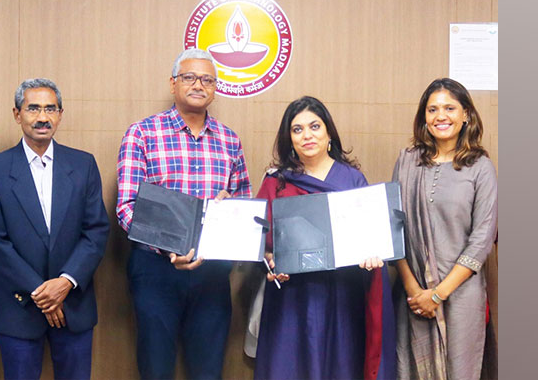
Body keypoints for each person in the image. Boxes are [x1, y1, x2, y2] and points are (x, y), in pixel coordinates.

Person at [116, 48, 251, 379]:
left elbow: (244, 204)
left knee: (208, 370)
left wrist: (230, 208)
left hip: (211, 272)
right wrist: (169, 247)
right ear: (173, 83)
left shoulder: (229, 140)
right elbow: (126, 207)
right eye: (189, 77)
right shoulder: (143, 133)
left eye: (207, 79)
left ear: (215, 88)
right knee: (156, 367)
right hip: (156, 269)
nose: (198, 85)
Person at [254, 96, 396, 380]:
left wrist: (371, 256)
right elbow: (260, 243)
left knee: (341, 365)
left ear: (328, 132)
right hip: (292, 297)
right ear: (288, 139)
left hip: (342, 293)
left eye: (314, 126)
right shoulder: (276, 181)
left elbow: (370, 237)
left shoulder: (352, 180)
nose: (307, 135)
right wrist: (270, 263)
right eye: (297, 129)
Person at [0, 78, 110, 380]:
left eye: (50, 109)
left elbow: (96, 231)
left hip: (73, 304)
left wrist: (64, 283)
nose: (42, 117)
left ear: (60, 114)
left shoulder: (83, 164)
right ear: (17, 114)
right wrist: (42, 293)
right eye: (33, 108)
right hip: (19, 308)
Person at [392, 78, 497, 380]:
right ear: (423, 117)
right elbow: (393, 225)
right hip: (411, 295)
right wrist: (415, 290)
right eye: (432, 109)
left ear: (466, 115)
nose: (441, 116)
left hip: (461, 295)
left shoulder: (480, 167)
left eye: (450, 108)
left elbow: (482, 239)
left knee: (459, 370)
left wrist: (437, 294)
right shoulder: (408, 161)